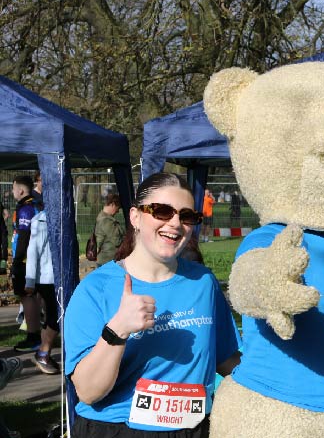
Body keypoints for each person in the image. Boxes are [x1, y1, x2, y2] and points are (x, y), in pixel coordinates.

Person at [64, 173, 241, 437]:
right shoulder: (96, 289)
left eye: (186, 216)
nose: (175, 223)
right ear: (135, 217)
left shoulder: (203, 282)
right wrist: (117, 330)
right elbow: (88, 392)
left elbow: (227, 360)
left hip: (193, 429)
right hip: (118, 429)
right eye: (162, 211)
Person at [25, 202, 61, 374]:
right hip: (47, 279)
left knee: (54, 316)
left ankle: (44, 352)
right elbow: (33, 251)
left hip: (55, 277)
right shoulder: (41, 220)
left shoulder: (57, 217)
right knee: (56, 316)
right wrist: (30, 281)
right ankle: (42, 353)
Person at [10, 175, 41, 352]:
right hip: (30, 259)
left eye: (14, 188)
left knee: (26, 296)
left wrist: (17, 259)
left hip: (24, 260)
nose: (13, 191)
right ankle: (34, 334)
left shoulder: (26, 209)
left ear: (20, 190)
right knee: (31, 296)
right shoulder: (31, 205)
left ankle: (33, 336)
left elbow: (24, 236)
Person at [95, 193, 125, 265]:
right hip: (108, 261)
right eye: (118, 207)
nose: (118, 211)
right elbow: (117, 241)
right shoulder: (106, 221)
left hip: (104, 260)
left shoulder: (101, 216)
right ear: (112, 204)